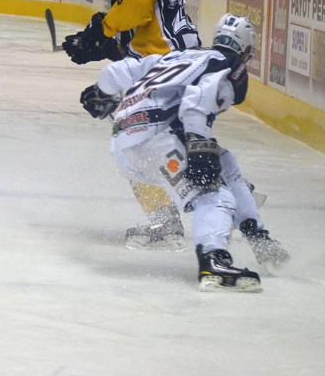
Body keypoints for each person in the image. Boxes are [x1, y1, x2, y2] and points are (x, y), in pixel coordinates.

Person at [77, 15, 283, 291]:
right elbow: (196, 102)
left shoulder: (181, 55)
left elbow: (117, 72)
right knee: (214, 195)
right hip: (156, 142)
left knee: (226, 163)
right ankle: (214, 262)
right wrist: (198, 143)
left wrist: (99, 94)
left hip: (126, 140)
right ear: (248, 49)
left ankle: (258, 236)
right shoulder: (226, 66)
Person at [62, 0, 200, 250]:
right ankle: (221, 187)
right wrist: (99, 46)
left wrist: (100, 31)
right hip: (171, 69)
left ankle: (174, 214)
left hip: (166, 72)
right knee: (151, 143)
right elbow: (142, 31)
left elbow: (136, 9)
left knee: (132, 144)